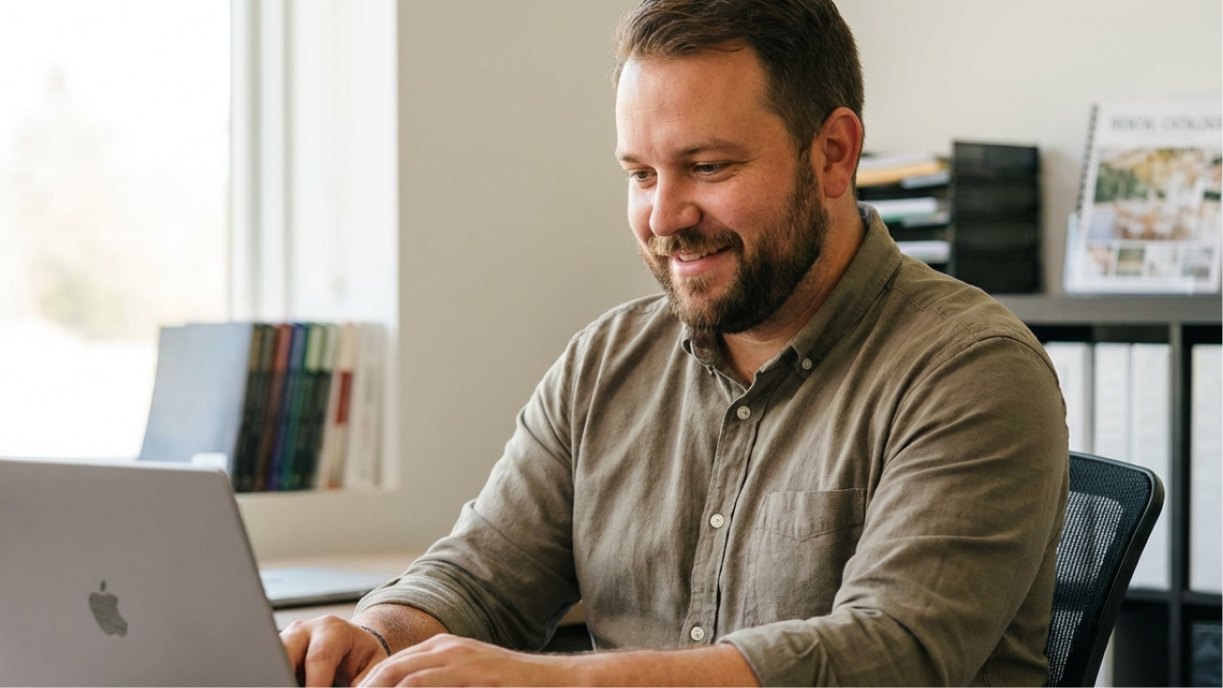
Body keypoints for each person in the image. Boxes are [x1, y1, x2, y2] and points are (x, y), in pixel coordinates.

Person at [281, 0, 1070, 686]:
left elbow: (892, 656)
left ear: (832, 153)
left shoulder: (971, 370)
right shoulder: (605, 363)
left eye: (706, 166)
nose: (663, 216)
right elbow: (481, 578)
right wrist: (374, 635)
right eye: (640, 174)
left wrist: (550, 684)